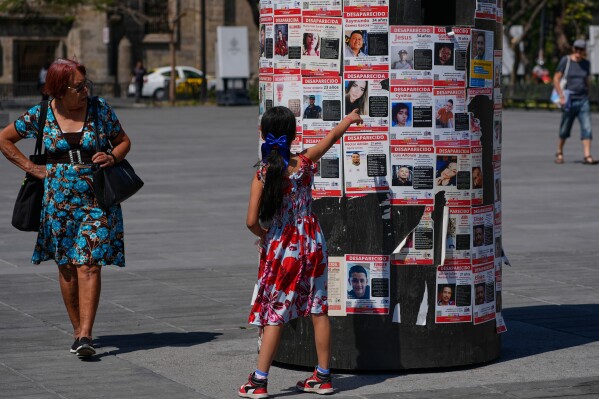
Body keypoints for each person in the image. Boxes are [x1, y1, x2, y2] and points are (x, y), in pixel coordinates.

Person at [0, 58, 131, 358]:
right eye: (79, 86)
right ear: (60, 89)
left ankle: (86, 333)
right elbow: (4, 139)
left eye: (87, 85)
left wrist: (113, 157)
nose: (85, 90)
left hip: (96, 198)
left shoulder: (99, 109)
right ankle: (76, 330)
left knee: (89, 263)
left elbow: (123, 141)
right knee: (67, 265)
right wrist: (32, 168)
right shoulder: (42, 113)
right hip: (57, 201)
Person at [239, 106, 363, 398]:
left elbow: (250, 221)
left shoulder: (262, 175)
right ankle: (323, 376)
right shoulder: (306, 163)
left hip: (285, 249)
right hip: (313, 241)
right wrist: (349, 118)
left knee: (275, 312)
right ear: (293, 135)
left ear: (262, 134)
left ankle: (259, 381)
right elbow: (331, 138)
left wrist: (265, 235)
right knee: (318, 308)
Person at [554, 39, 595, 165]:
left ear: (584, 51)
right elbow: (556, 78)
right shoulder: (566, 61)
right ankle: (559, 152)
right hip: (569, 99)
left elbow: (587, 79)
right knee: (565, 128)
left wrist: (589, 93)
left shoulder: (586, 64)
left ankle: (587, 155)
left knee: (587, 127)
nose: (578, 52)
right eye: (576, 49)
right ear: (573, 49)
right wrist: (561, 95)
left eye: (581, 50)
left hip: (583, 99)